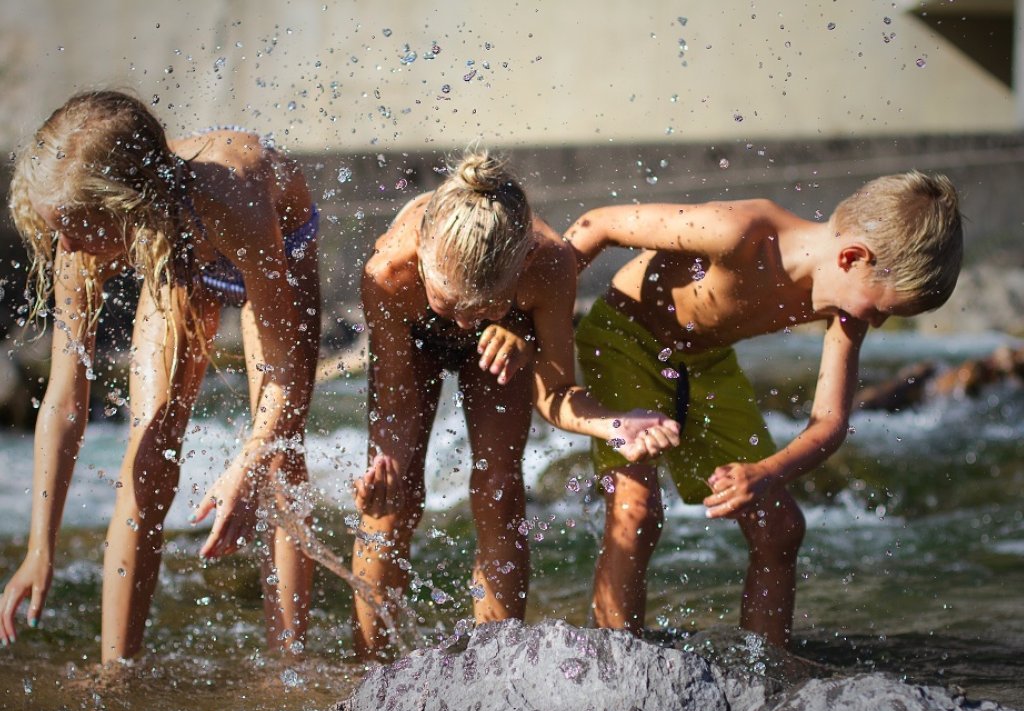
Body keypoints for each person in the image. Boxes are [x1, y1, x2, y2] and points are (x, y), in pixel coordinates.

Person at [565, 171, 963, 647]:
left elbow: (832, 422)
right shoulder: (743, 233)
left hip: (704, 363)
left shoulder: (845, 306)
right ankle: (613, 661)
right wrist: (536, 320)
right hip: (625, 338)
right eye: (881, 310)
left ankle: (767, 671)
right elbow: (595, 225)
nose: (874, 322)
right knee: (638, 509)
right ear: (853, 257)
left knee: (780, 527)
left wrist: (767, 473)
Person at [0, 90, 321, 662]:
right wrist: (38, 548)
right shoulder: (77, 239)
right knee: (147, 457)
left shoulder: (235, 197)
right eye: (57, 231)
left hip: (276, 248)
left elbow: (286, 376)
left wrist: (247, 462)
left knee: (278, 459)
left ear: (125, 205)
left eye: (77, 227)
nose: (65, 247)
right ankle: (116, 672)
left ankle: (286, 667)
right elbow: (66, 399)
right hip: (178, 255)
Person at [352, 149, 681, 658]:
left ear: (523, 262)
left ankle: (494, 662)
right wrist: (386, 461)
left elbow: (555, 395)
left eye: (482, 308)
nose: (464, 323)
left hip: (507, 346)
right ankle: (370, 672)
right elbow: (396, 405)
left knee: (499, 488)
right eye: (450, 305)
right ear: (421, 251)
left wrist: (613, 425)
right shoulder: (389, 271)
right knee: (393, 504)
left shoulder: (549, 263)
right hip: (412, 339)